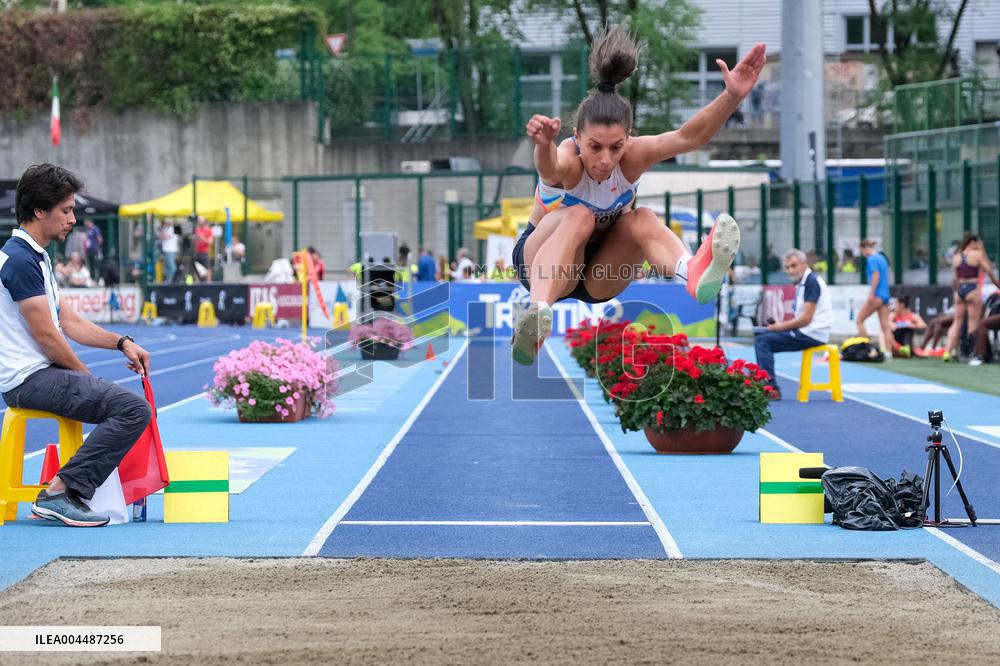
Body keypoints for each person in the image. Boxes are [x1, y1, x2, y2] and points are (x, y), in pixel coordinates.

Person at [510, 26, 764, 365]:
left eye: (616, 147)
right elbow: (549, 168)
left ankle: (693, 272)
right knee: (579, 215)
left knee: (641, 218)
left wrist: (732, 96)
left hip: (599, 276)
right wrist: (543, 145)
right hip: (544, 267)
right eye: (594, 147)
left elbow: (689, 137)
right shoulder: (569, 161)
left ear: (628, 138)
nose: (605, 160)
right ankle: (537, 315)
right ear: (576, 137)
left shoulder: (632, 157)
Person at [1, 164, 151, 527]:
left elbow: (67, 321)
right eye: (66, 210)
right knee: (133, 410)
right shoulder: (20, 260)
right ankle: (60, 492)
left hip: (36, 375)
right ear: (39, 211)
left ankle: (64, 490)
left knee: (118, 401)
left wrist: (121, 342)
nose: (72, 219)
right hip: (27, 379)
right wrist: (85, 376)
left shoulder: (36, 254)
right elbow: (48, 337)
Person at [753, 250, 833, 400]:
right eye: (788, 267)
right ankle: (767, 385)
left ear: (804, 264)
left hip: (812, 333)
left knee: (762, 341)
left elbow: (806, 319)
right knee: (763, 337)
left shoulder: (811, 282)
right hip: (807, 331)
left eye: (794, 266)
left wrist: (780, 327)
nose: (790, 270)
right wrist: (779, 326)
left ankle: (771, 388)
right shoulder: (803, 282)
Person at [943, 233, 1000, 361]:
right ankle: (970, 351)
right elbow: (989, 270)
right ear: (973, 242)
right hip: (973, 288)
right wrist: (997, 284)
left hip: (960, 290)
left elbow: (954, 279)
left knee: (957, 322)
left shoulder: (956, 257)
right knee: (972, 322)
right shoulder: (977, 255)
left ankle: (947, 351)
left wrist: (956, 292)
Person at [856, 239, 893, 352]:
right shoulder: (882, 258)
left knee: (859, 320)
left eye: (862, 251)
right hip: (885, 295)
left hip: (877, 295)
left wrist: (871, 293)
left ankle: (867, 349)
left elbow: (875, 276)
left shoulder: (872, 259)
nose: (862, 254)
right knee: (885, 326)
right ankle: (889, 351)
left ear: (865, 248)